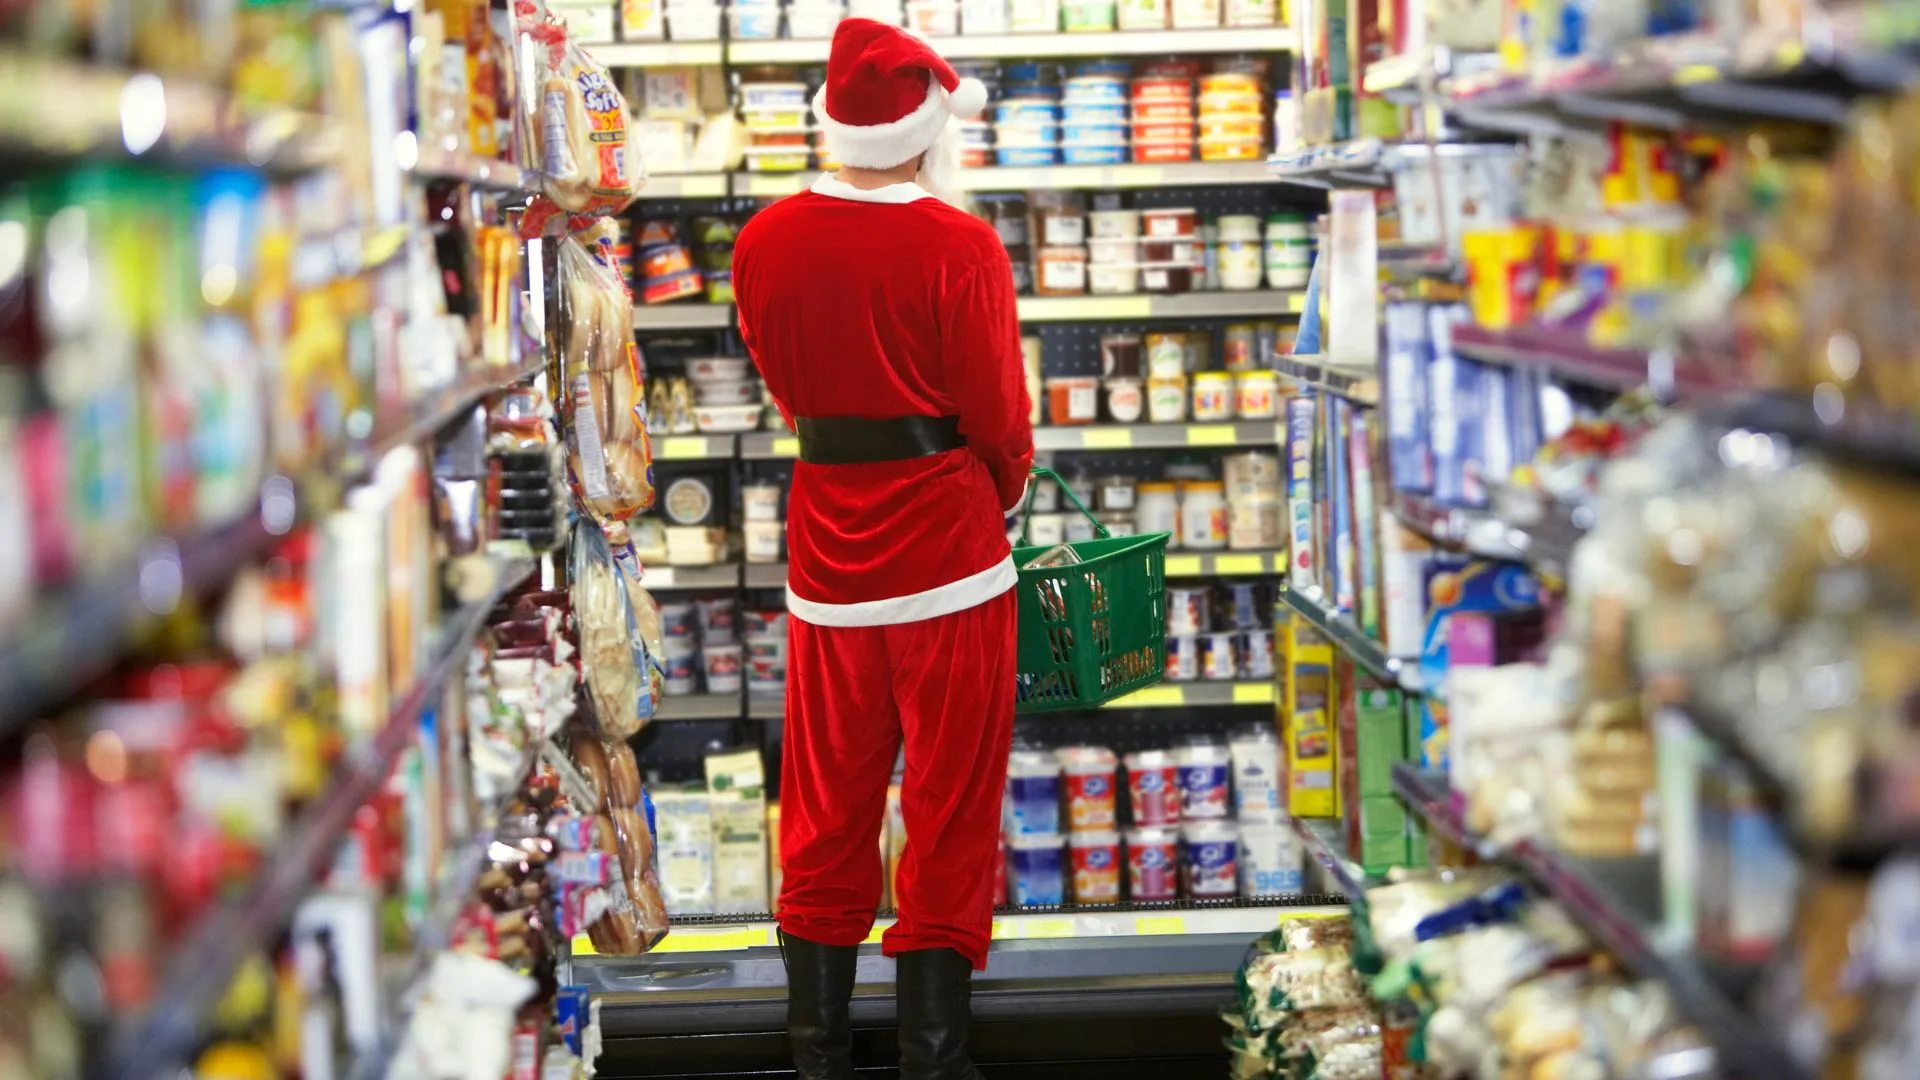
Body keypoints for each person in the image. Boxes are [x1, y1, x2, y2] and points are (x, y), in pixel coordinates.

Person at [729, 18, 1033, 1080]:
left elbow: (783, 380)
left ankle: (816, 1053)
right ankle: (933, 1056)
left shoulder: (763, 241)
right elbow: (1000, 420)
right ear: (928, 129)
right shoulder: (960, 245)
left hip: (827, 554)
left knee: (824, 806)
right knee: (949, 807)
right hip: (949, 555)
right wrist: (992, 491)